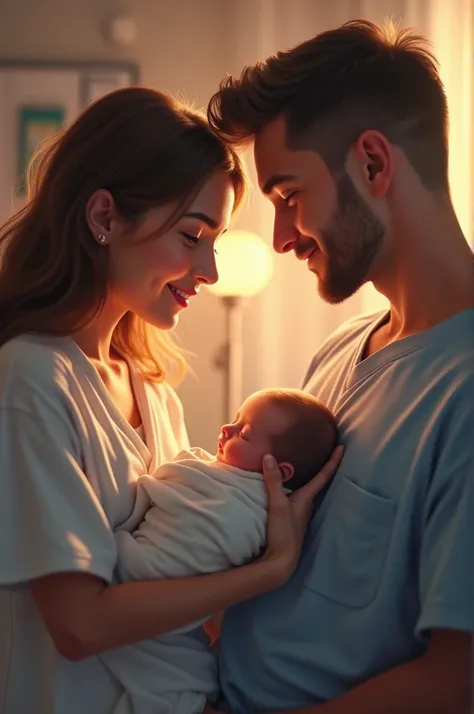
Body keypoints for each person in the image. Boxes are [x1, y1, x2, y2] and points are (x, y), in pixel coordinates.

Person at [0, 87, 343, 714]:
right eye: (193, 236)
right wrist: (270, 569)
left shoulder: (156, 396)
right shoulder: (31, 380)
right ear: (104, 217)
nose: (210, 270)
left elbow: (181, 588)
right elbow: (80, 628)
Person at [207, 19, 474, 714]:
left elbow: (456, 682)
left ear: (374, 165)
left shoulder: (466, 391)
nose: (282, 236)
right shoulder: (338, 353)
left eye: (288, 196)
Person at [99, 388, 337, 714]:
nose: (228, 430)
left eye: (245, 433)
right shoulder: (215, 475)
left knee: (169, 675)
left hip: (147, 586)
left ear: (280, 472)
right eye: (236, 419)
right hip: (145, 605)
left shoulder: (247, 507)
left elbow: (184, 504)